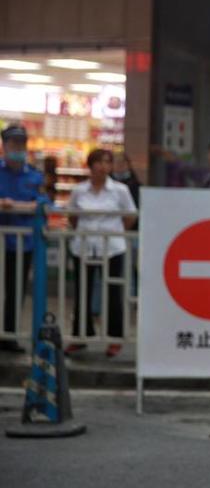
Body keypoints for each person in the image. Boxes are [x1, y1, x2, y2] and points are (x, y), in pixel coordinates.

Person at [66, 148, 137, 357]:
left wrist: (115, 232)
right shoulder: (79, 190)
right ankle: (80, 336)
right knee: (82, 292)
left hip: (112, 247)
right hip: (83, 246)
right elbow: (72, 216)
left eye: (107, 162)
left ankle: (115, 338)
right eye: (99, 162)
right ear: (91, 165)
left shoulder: (120, 190)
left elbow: (130, 216)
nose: (103, 166)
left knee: (113, 293)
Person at [0, 124, 48, 353]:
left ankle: (9, 336)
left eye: (21, 143)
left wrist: (30, 205)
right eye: (13, 143)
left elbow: (45, 202)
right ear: (4, 146)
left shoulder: (35, 175)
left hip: (23, 244)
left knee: (16, 289)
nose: (17, 148)